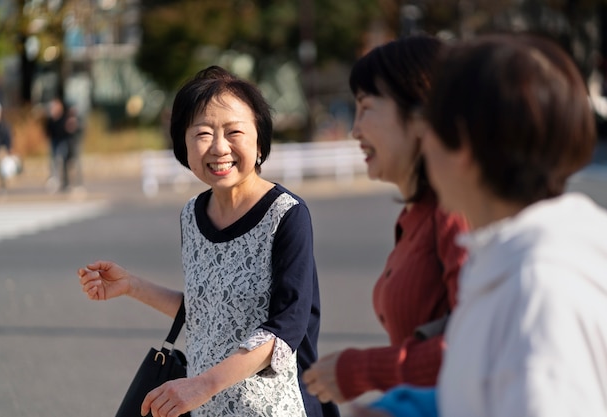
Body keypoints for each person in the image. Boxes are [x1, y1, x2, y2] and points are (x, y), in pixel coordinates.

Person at [366, 32, 607, 416]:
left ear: (460, 143)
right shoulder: (512, 260)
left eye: (428, 128)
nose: (423, 147)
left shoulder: (537, 287)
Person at [78, 66, 340, 417]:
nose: (219, 147)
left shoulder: (287, 215)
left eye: (234, 132)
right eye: (202, 133)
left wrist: (201, 385)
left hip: (275, 407)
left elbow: (285, 329)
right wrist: (132, 286)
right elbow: (209, 313)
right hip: (207, 408)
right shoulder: (191, 214)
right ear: (182, 143)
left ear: (259, 139)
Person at [303, 35, 469, 405]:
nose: (355, 130)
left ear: (419, 114)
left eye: (365, 108)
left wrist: (360, 370)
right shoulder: (416, 214)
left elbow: (477, 346)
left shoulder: (455, 211)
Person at [44, 97, 79, 192]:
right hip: (54, 141)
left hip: (63, 141)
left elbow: (68, 130)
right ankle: (55, 181)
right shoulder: (51, 119)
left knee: (63, 161)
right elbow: (48, 130)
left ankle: (66, 182)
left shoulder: (64, 118)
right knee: (54, 162)